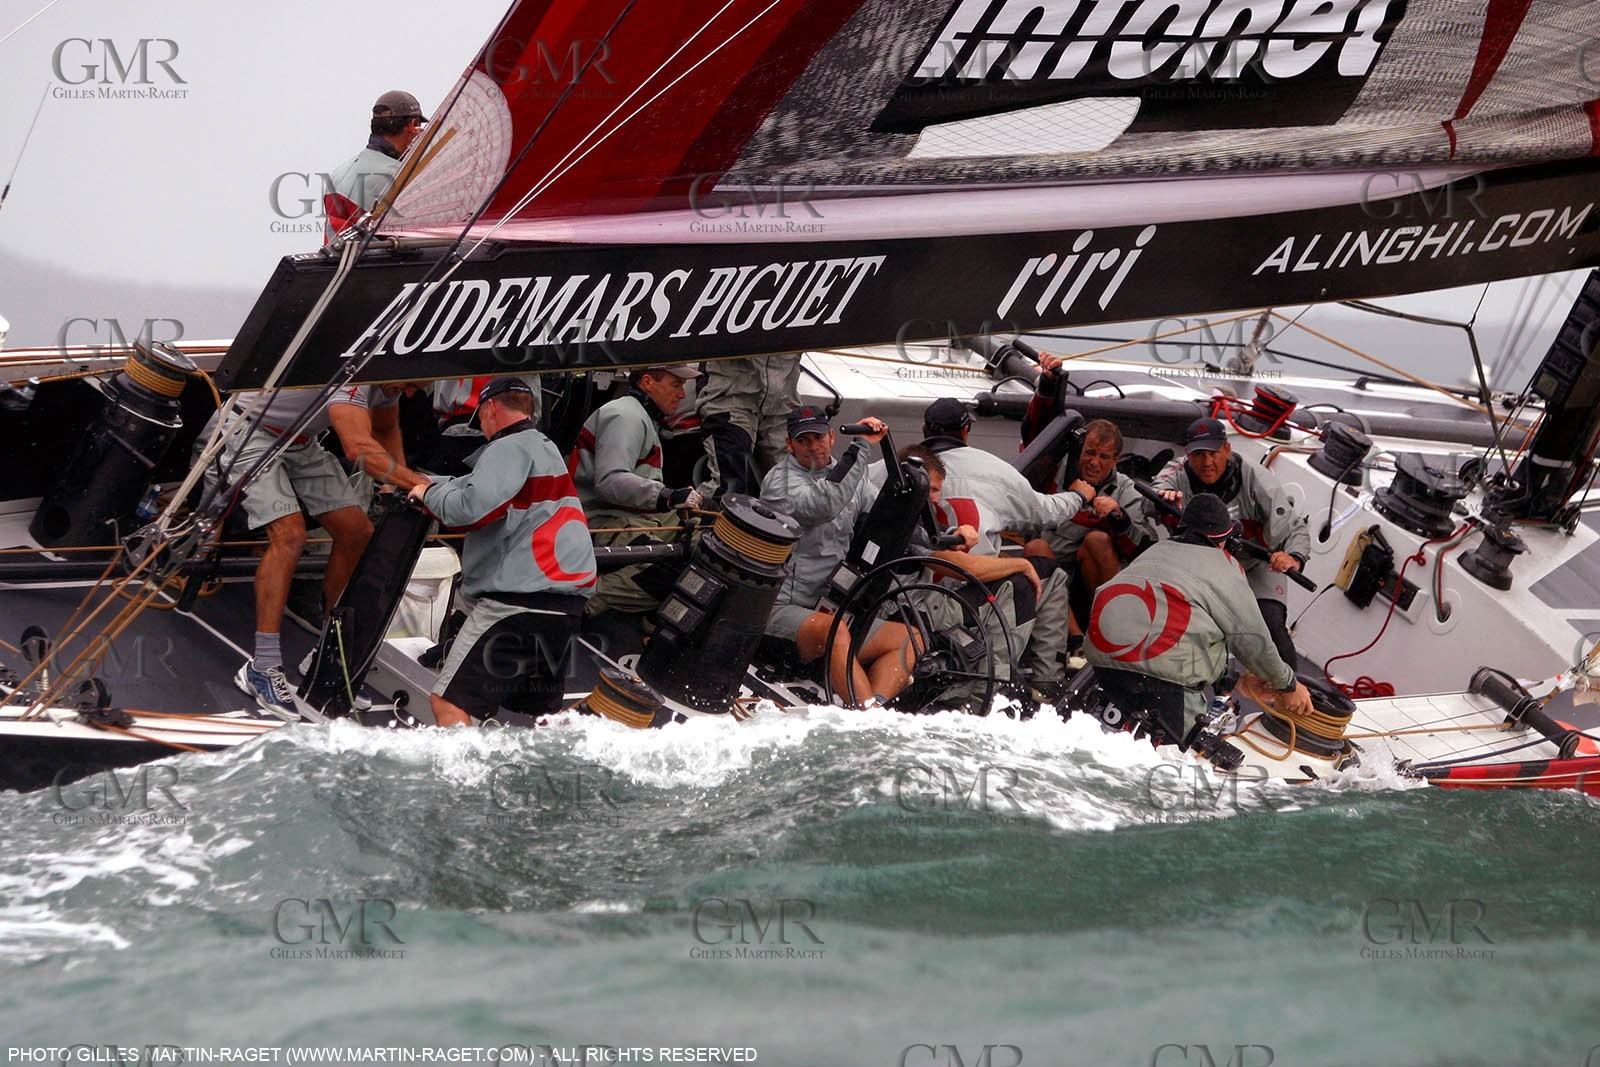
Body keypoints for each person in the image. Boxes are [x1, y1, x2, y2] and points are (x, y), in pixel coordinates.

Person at [207, 382, 427, 717]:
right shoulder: (360, 377)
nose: (410, 394)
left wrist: (395, 481)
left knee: (357, 532)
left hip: (300, 443)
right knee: (289, 535)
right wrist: (420, 484)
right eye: (410, 386)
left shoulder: (393, 383)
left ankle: (324, 657)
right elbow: (357, 448)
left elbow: (385, 427)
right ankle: (262, 666)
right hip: (248, 431)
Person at [408, 377, 596, 726]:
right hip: (565, 610)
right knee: (543, 715)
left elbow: (472, 509)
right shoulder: (544, 447)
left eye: (479, 417)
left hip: (518, 607)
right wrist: (434, 483)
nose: (480, 425)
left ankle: (464, 781)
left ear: (490, 408)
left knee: (449, 704)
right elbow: (481, 486)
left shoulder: (505, 448)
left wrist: (425, 495)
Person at [1085, 493, 1314, 746]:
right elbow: (1252, 639)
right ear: (1222, 540)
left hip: (1102, 670)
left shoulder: (1155, 551)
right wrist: (1288, 684)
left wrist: (1237, 681)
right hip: (1165, 689)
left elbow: (1160, 630)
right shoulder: (1223, 566)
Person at [907, 398, 1096, 696]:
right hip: (946, 600)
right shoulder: (995, 471)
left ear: (923, 429)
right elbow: (1047, 512)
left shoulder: (888, 473)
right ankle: (1034, 688)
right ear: (966, 431)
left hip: (903, 599)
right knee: (1029, 582)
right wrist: (1079, 496)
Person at [758, 407, 918, 706]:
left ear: (831, 437)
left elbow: (888, 518)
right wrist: (860, 448)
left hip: (832, 609)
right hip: (780, 608)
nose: (813, 447)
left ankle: (875, 708)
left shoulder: (853, 478)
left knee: (910, 639)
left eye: (818, 437)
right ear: (789, 445)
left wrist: (943, 535)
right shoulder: (779, 483)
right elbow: (823, 504)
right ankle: (864, 718)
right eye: (803, 440)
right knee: (835, 631)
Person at [1153, 416, 1310, 666]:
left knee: (1271, 627)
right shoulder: (1176, 471)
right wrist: (1162, 500)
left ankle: (1291, 697)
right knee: (1173, 620)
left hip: (1256, 563)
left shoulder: (1258, 479)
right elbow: (1151, 493)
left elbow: (1294, 527)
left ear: (1227, 449)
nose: (1207, 463)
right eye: (1199, 455)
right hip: (1199, 566)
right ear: (1187, 455)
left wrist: (1294, 557)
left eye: (1213, 453)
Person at [570, 364, 704, 618]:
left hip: (629, 518)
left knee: (704, 544)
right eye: (676, 385)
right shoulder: (625, 416)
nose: (683, 395)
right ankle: (586, 600)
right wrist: (667, 496)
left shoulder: (638, 415)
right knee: (672, 567)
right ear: (647, 382)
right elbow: (610, 482)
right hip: (601, 522)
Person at [325, 89, 428, 238]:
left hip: (338, 260)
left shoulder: (338, 172)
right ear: (413, 125)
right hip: (379, 260)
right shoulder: (399, 178)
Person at [696, 354, 802, 497]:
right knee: (731, 487)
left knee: (792, 489)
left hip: (782, 404)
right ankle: (693, 514)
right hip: (730, 397)